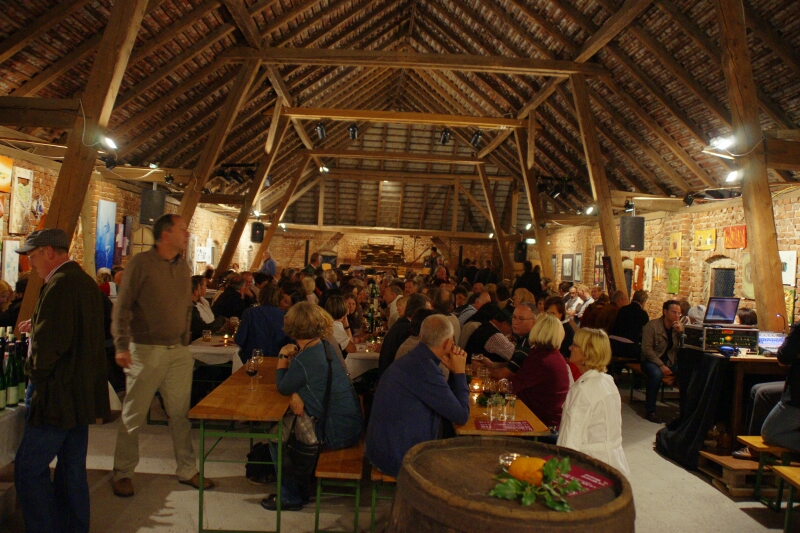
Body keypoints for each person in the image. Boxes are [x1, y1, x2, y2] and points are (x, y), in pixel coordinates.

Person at [13, 229, 110, 533]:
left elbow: (51, 346)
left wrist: (32, 372)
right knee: (71, 469)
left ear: (49, 252)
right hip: (79, 393)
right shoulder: (83, 281)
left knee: (29, 469)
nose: (31, 264)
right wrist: (38, 324)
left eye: (33, 256)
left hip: (56, 393)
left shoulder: (59, 284)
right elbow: (74, 330)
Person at [111, 214, 213, 497]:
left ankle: (187, 468)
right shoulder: (141, 264)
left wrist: (185, 338)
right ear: (165, 235)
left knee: (180, 414)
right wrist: (121, 345)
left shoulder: (183, 266)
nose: (187, 234)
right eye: (182, 229)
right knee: (134, 415)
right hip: (146, 350)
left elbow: (186, 306)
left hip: (177, 352)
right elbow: (122, 307)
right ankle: (123, 472)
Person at [263, 302, 363, 511]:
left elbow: (283, 386)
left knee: (277, 435)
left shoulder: (306, 358)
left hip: (335, 432)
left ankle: (291, 496)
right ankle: (299, 486)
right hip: (351, 423)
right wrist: (297, 393)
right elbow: (307, 381)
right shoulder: (324, 345)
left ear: (293, 327)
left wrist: (282, 355)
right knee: (291, 423)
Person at [366, 315, 470, 477]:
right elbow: (461, 415)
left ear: (421, 336)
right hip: (398, 458)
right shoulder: (426, 369)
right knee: (461, 467)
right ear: (447, 343)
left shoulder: (413, 359)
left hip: (380, 449)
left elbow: (448, 402)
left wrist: (453, 372)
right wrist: (460, 373)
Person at [557, 328, 631, 478]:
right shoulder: (607, 381)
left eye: (575, 345)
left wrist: (560, 472)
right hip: (615, 464)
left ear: (587, 353)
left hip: (590, 468)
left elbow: (570, 438)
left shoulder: (583, 390)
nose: (570, 348)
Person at [510, 313, 571, 429]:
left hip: (541, 425)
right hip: (552, 421)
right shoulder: (554, 356)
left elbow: (512, 386)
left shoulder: (541, 360)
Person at [640, 300, 684, 423]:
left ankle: (684, 411)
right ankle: (650, 410)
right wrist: (661, 365)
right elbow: (646, 349)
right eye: (674, 312)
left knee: (687, 372)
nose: (677, 316)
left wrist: (681, 334)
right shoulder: (652, 326)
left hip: (670, 361)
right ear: (665, 312)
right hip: (652, 361)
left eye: (679, 313)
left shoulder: (678, 328)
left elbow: (683, 350)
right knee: (656, 374)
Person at [377, 293, 430, 378]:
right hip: (393, 380)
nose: (430, 316)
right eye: (428, 312)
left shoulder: (402, 324)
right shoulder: (407, 330)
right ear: (418, 312)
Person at [235, 284, 291, 362]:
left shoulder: (249, 313)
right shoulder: (285, 316)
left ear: (261, 296)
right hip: (277, 359)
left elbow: (240, 340)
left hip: (253, 358)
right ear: (278, 298)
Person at [609, 289, 650, 361]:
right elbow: (644, 333)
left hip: (613, 344)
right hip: (628, 348)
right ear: (643, 302)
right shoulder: (643, 314)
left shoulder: (622, 309)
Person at [190, 275, 226, 341]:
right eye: (205, 286)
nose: (206, 288)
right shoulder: (192, 308)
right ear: (195, 292)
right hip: (200, 340)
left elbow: (211, 319)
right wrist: (222, 319)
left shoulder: (204, 301)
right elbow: (204, 329)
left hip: (211, 334)